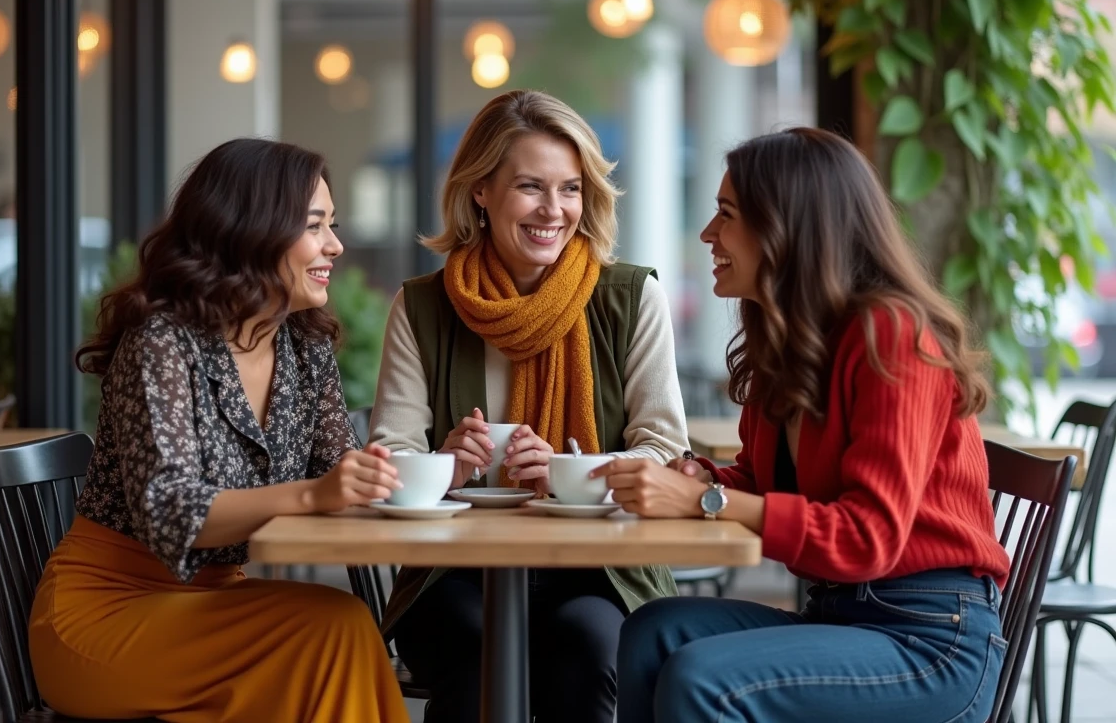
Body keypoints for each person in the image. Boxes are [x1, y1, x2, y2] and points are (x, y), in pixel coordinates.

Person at [596, 127, 1012, 723]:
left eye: (726, 214)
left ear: (787, 227)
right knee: (653, 631)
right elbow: (767, 486)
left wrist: (710, 500)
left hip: (932, 641)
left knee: (702, 680)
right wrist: (699, 477)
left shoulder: (892, 336)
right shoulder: (788, 338)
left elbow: (868, 537)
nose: (708, 234)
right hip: (843, 614)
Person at [28, 139, 410, 723]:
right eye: (314, 226)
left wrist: (432, 471)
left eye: (332, 225)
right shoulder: (162, 342)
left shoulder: (303, 346)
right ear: (250, 230)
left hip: (213, 603)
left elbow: (342, 478)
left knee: (342, 624)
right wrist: (314, 493)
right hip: (106, 614)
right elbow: (170, 512)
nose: (336, 245)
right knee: (328, 633)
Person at [368, 89, 689, 723]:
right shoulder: (424, 307)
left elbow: (666, 452)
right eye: (530, 188)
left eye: (570, 189)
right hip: (456, 571)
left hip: (602, 569)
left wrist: (577, 475)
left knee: (593, 643)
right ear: (480, 190)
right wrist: (445, 466)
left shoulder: (630, 297)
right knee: (469, 647)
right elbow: (391, 455)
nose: (554, 210)